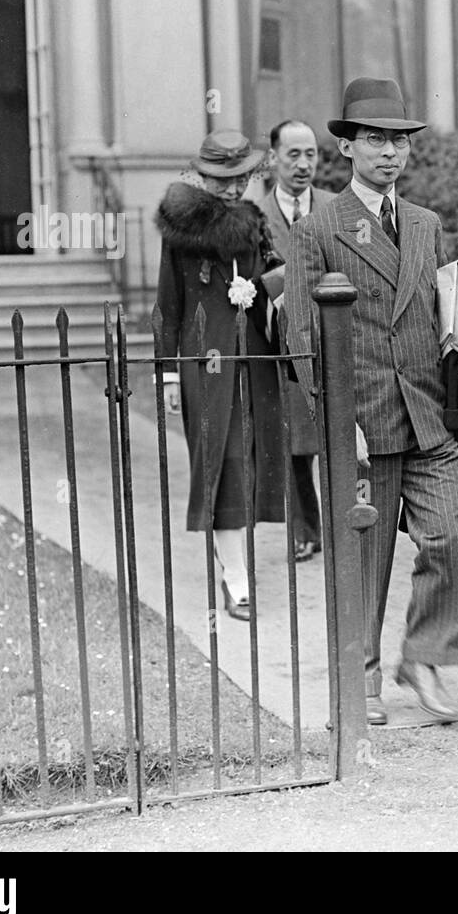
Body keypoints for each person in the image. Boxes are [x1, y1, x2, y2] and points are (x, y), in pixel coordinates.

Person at [285, 77, 458, 725]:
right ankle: (361, 678)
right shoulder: (320, 227)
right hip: (364, 421)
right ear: (346, 148)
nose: (389, 153)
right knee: (365, 560)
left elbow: (442, 312)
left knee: (452, 531)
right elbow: (300, 339)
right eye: (374, 139)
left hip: (427, 415)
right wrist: (340, 425)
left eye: (399, 140)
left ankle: (423, 657)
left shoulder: (426, 225)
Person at [155, 129, 290, 620]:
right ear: (203, 175)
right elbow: (167, 305)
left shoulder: (253, 223)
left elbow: (274, 278)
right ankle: (236, 578)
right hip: (204, 363)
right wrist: (168, 374)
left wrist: (265, 287)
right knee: (223, 461)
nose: (234, 189)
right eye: (222, 179)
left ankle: (236, 562)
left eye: (241, 178)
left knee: (253, 458)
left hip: (252, 357)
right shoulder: (180, 229)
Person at [250, 119, 336, 562]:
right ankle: (306, 530)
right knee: (295, 442)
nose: (304, 165)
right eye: (293, 155)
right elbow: (248, 284)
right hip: (279, 345)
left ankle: (345, 527)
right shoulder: (254, 216)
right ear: (273, 159)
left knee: (338, 437)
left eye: (311, 155)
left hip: (334, 341)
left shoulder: (337, 207)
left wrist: (285, 278)